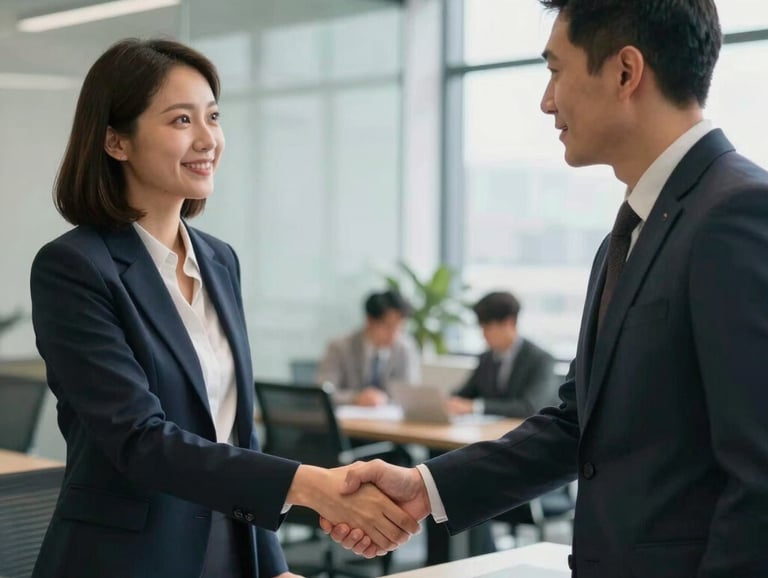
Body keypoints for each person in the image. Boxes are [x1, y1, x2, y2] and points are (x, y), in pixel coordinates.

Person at [323, 1, 768, 575]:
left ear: (625, 72)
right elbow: (577, 424)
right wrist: (425, 486)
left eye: (556, 70)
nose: (546, 99)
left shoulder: (737, 214)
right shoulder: (628, 236)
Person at [29, 38, 418, 578]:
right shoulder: (74, 267)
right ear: (117, 141)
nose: (208, 139)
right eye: (181, 120)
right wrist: (312, 485)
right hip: (125, 560)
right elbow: (140, 441)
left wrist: (273, 564)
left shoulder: (219, 260)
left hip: (229, 553)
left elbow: (236, 434)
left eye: (213, 116)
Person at [447, 291, 558, 418]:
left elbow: (530, 407)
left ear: (509, 323)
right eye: (481, 328)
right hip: (494, 431)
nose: (483, 335)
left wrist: (476, 407)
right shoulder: (486, 358)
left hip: (528, 433)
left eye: (487, 328)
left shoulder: (541, 359)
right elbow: (464, 394)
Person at [316, 289, 421, 406]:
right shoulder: (339, 347)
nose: (394, 335)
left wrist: (384, 399)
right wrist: (355, 398)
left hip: (390, 420)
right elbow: (323, 392)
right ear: (370, 320)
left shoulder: (405, 349)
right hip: (347, 422)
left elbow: (409, 395)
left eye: (399, 328)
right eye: (388, 327)